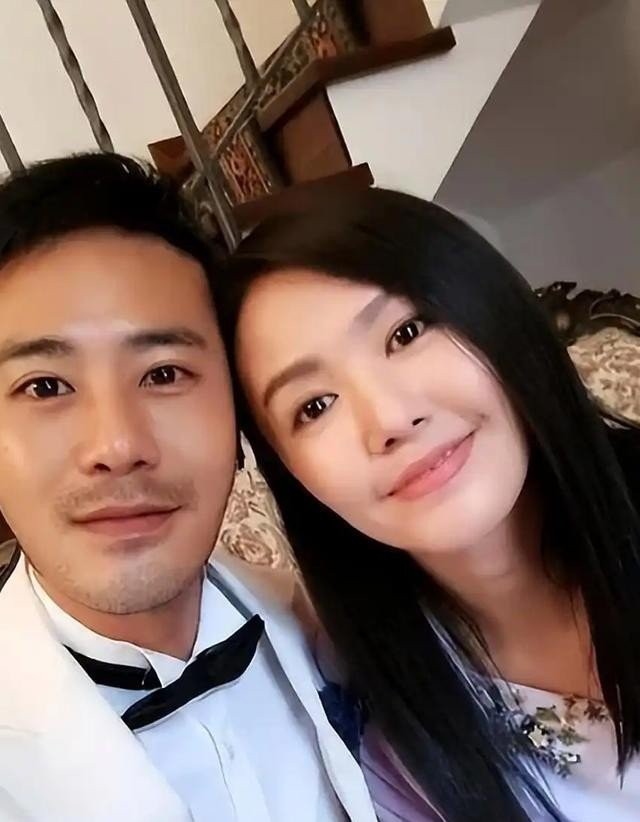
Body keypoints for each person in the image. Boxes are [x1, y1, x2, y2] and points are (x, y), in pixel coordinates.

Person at [0, 154, 378, 822]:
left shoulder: (331, 629)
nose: (118, 447)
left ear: (236, 412)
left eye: (163, 374)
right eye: (45, 387)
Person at [215, 187, 640, 822]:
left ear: (491, 312)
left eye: (405, 333)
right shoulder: (386, 742)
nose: (389, 419)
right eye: (315, 406)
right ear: (294, 476)